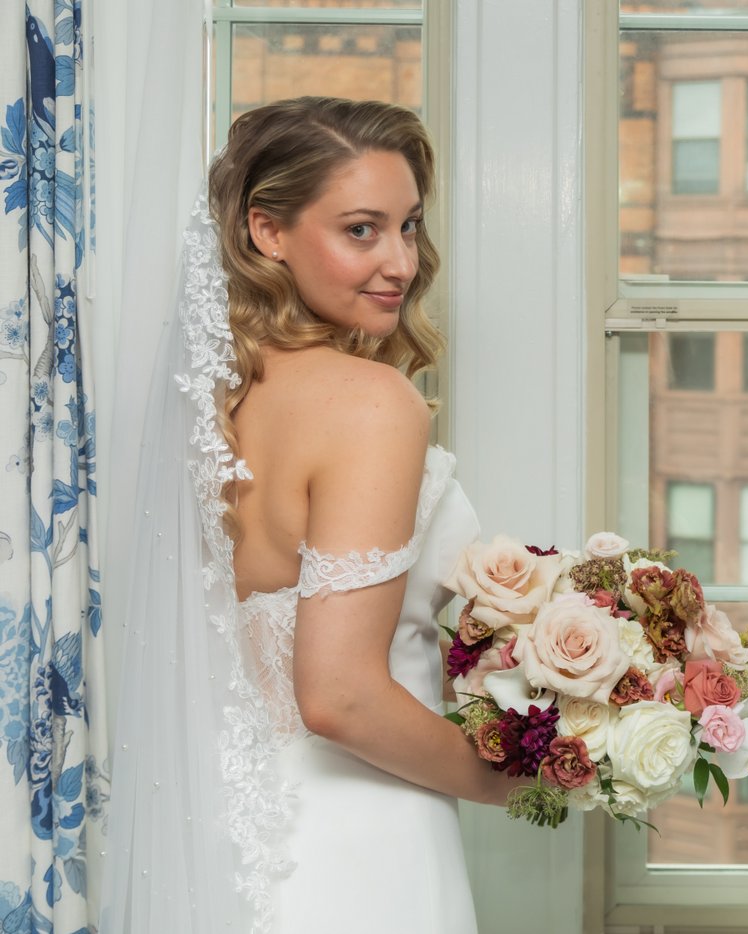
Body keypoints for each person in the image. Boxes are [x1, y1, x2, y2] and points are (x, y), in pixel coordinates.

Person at [101, 97, 512, 934]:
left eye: (409, 226)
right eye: (361, 229)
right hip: (358, 847)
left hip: (207, 838)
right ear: (267, 231)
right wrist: (512, 777)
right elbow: (338, 697)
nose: (401, 261)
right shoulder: (372, 403)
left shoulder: (191, 403)